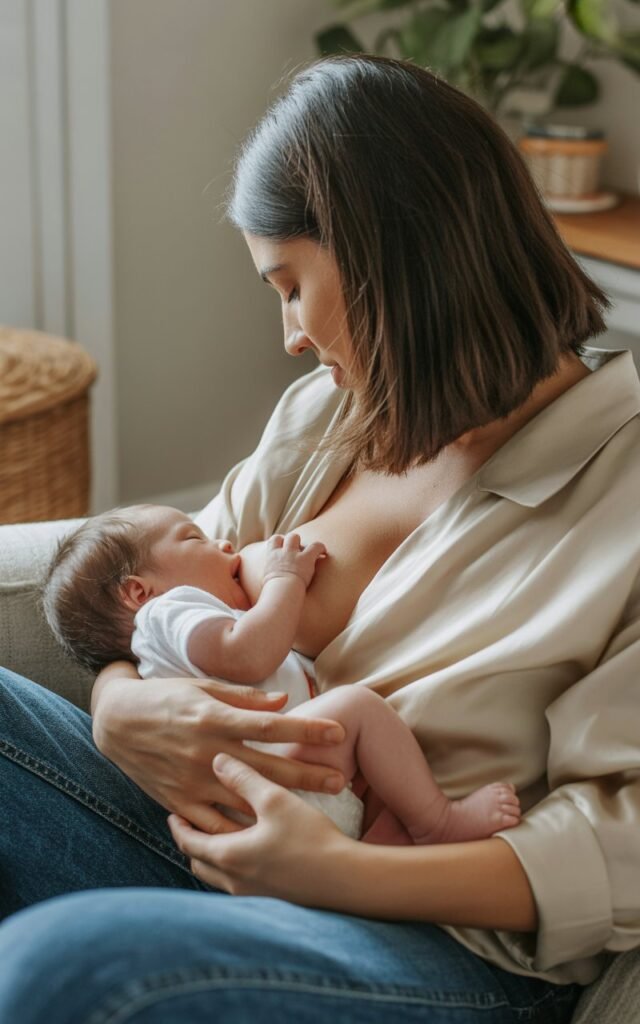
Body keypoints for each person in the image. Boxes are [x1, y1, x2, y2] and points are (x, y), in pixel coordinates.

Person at [1, 53, 638, 1024]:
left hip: (430, 938)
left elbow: (621, 838)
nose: (291, 334)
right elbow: (166, 592)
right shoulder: (323, 420)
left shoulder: (618, 484)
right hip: (219, 849)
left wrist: (342, 870)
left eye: (290, 284)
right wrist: (119, 705)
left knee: (74, 968)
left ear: (396, 261)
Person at [42, 503, 521, 845]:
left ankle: (395, 840)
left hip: (277, 797)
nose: (223, 543)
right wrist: (283, 580)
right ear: (138, 593)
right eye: (194, 538)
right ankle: (436, 819)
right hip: (281, 780)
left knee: (375, 764)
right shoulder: (167, 614)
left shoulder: (170, 638)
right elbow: (247, 655)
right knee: (356, 708)